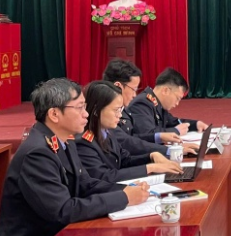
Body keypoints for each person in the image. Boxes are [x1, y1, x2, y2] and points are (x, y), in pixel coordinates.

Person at [0, 78, 150, 236]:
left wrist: (125, 189)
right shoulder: (37, 154)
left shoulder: (66, 140)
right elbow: (62, 210)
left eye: (84, 107)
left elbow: (86, 184)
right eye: (79, 108)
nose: (86, 114)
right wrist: (123, 198)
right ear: (54, 114)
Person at [76, 81, 184, 182]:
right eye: (116, 110)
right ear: (96, 111)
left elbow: (124, 160)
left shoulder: (107, 132)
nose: (120, 115)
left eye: (121, 110)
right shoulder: (84, 142)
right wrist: (149, 168)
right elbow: (104, 176)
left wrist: (151, 156)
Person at [103, 59, 198, 156]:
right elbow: (127, 142)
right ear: (118, 86)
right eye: (133, 89)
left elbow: (133, 137)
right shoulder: (107, 112)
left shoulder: (123, 110)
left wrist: (159, 138)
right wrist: (169, 150)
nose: (135, 95)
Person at [128, 68, 208, 137]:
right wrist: (175, 131)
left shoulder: (157, 104)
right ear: (166, 91)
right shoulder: (142, 103)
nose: (177, 103)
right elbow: (147, 134)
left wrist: (195, 124)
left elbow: (174, 122)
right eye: (177, 98)